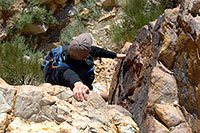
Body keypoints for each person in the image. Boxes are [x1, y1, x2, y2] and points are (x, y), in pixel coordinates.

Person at [53, 33, 126, 101]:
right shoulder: (66, 69)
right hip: (77, 87)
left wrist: (115, 55)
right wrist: (79, 85)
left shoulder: (74, 50)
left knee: (106, 97)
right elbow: (71, 76)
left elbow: (96, 50)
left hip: (85, 81)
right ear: (85, 56)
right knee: (106, 98)